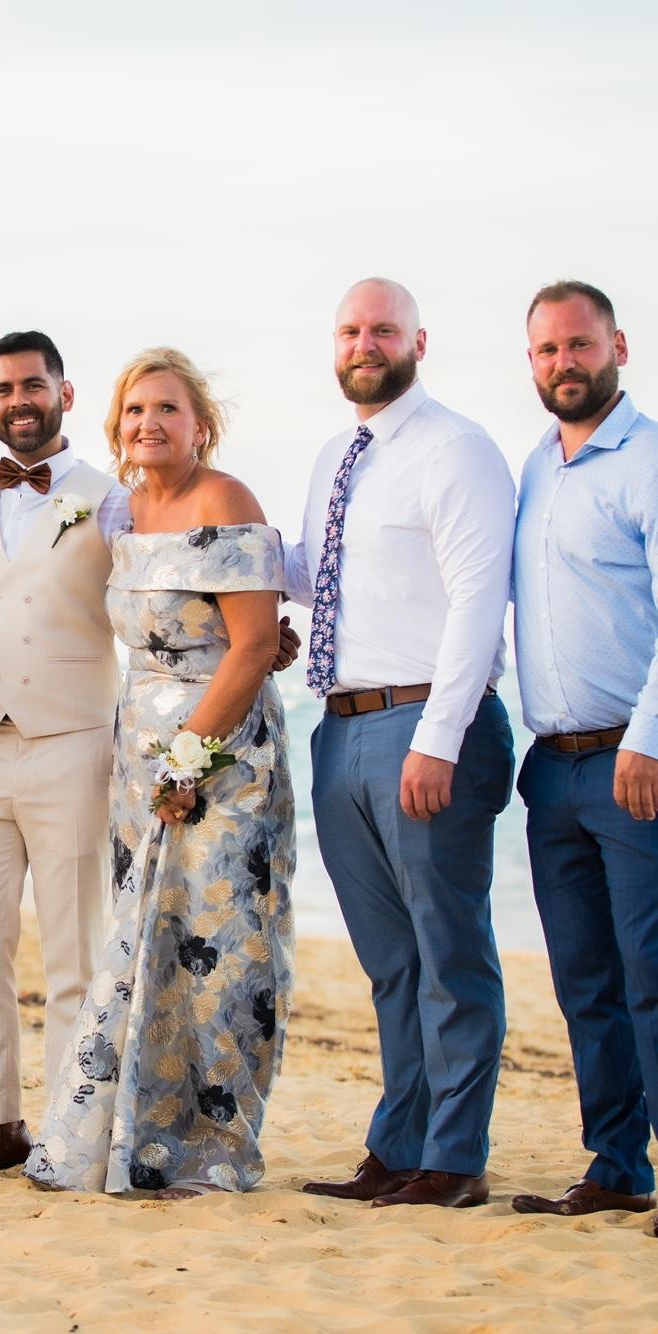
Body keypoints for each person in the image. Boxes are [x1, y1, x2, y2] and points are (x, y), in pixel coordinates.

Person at [24, 348, 293, 1198]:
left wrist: (192, 761)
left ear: (198, 423)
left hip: (226, 761)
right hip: (138, 758)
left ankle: (214, 1148)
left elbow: (252, 646)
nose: (150, 424)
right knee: (153, 952)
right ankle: (141, 1142)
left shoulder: (228, 501)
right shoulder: (121, 511)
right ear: (118, 427)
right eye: (136, 410)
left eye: (167, 409)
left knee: (224, 956)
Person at [289, 278, 516, 1210]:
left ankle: (454, 1160)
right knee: (392, 962)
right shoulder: (335, 456)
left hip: (429, 729)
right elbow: (313, 576)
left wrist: (439, 738)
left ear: (420, 339)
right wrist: (195, 540)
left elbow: (478, 599)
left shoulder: (455, 449)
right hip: (339, 732)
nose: (365, 343)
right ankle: (400, 1145)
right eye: (350, 330)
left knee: (449, 952)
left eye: (383, 328)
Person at [0, 331, 132, 1177]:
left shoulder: (110, 499)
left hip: (74, 742)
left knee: (77, 948)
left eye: (33, 385)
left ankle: (73, 1129)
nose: (20, 401)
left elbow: (148, 602)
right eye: (4, 389)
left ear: (65, 394)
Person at [506, 281, 658, 1231]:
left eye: (579, 345)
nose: (564, 363)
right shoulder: (535, 469)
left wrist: (648, 738)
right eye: (546, 350)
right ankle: (615, 1165)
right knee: (585, 981)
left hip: (632, 762)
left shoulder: (646, 460)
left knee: (651, 972)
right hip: (551, 767)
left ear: (619, 348)